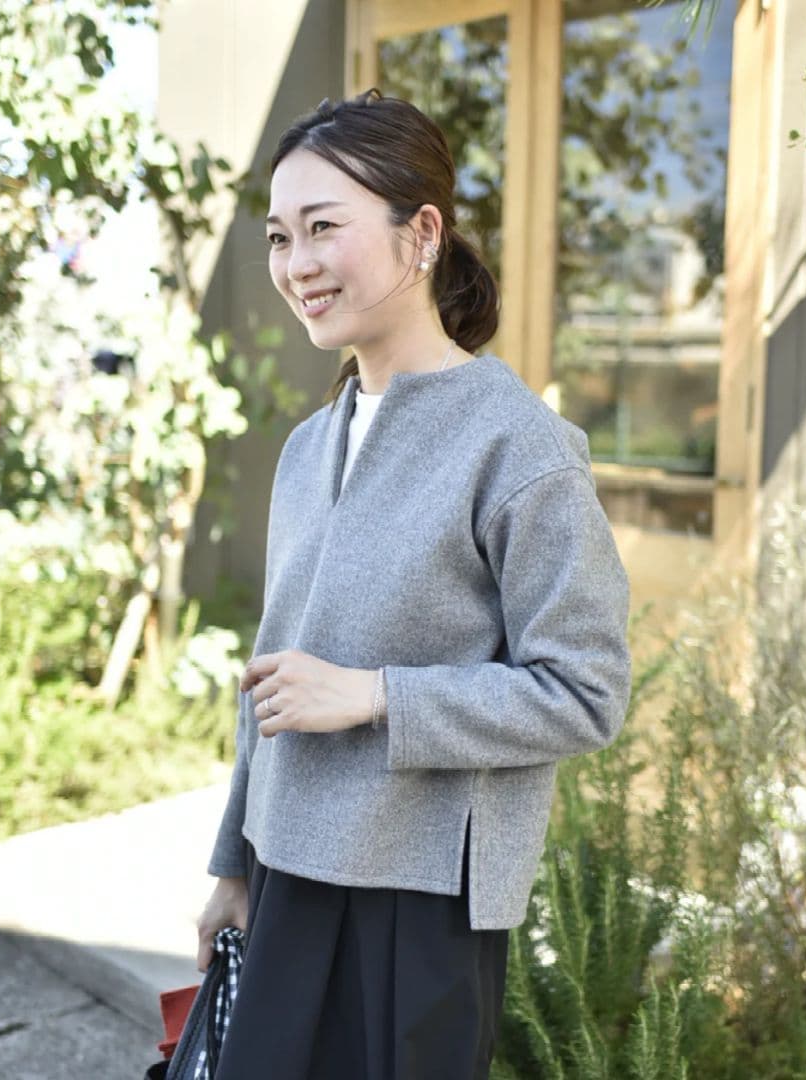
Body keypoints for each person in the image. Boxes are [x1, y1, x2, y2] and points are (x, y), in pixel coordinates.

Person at [196, 89, 631, 1080]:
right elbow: (269, 684)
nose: (296, 264)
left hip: (417, 905)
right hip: (280, 872)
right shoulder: (308, 448)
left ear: (422, 233)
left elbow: (587, 691)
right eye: (279, 237)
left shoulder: (519, 447)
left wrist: (376, 696)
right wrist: (230, 867)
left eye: (323, 228)